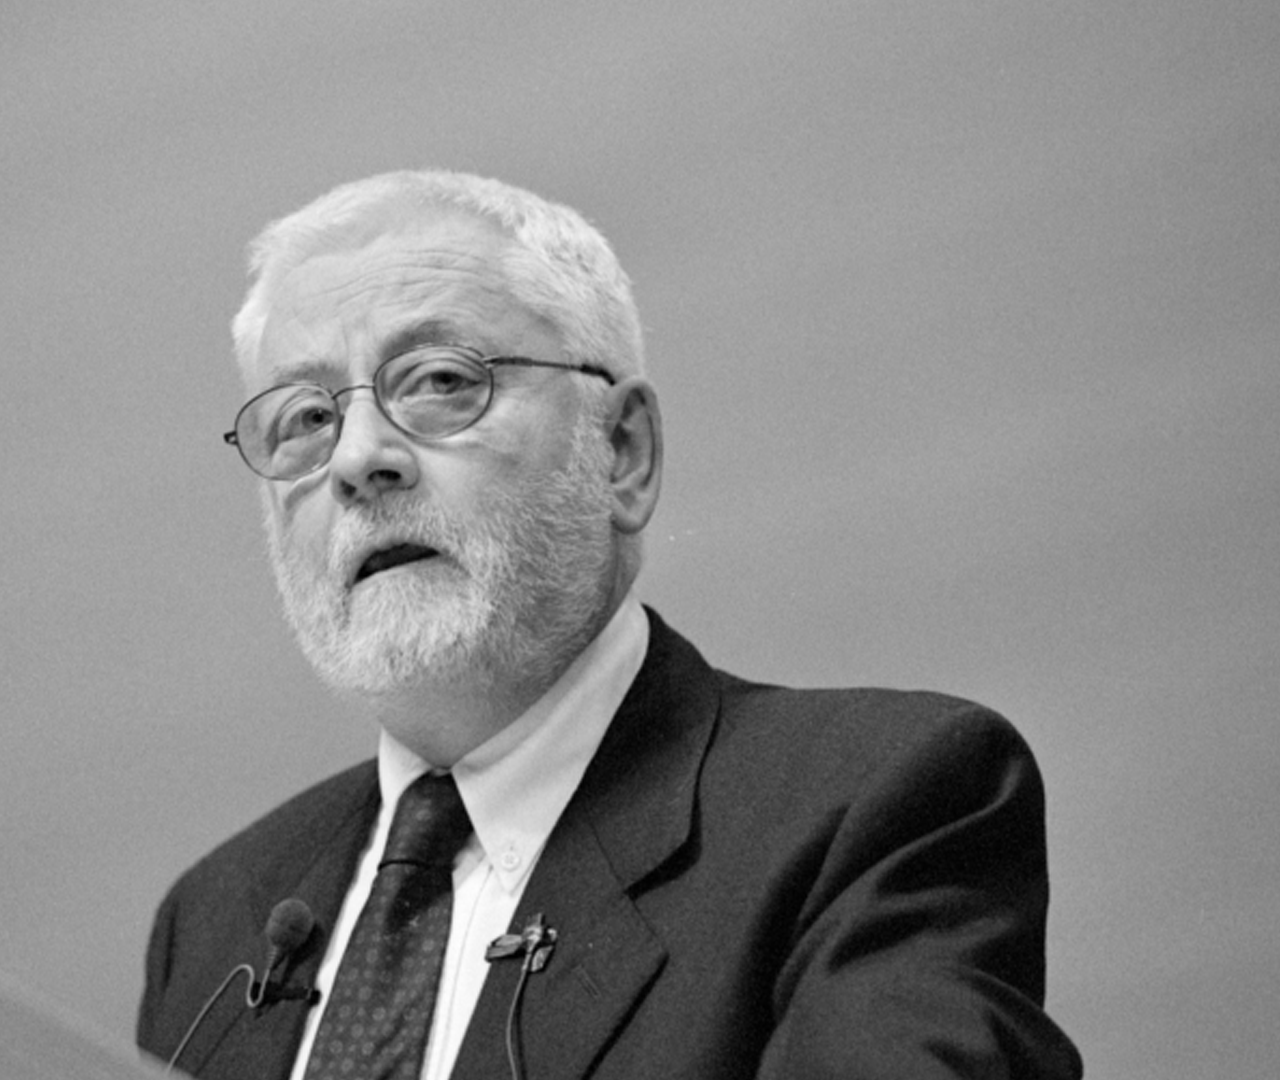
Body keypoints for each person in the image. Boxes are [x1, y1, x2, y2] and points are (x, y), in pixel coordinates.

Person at [136, 170, 1083, 1080]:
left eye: (438, 381)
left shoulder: (869, 807)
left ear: (621, 451)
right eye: (304, 420)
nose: (357, 459)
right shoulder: (215, 922)